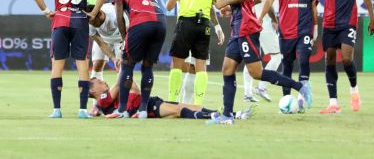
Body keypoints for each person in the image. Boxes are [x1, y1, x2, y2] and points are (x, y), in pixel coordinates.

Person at [208, 0, 312, 125]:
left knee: (256, 73)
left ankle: (299, 87)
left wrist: (224, 3)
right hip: (238, 25)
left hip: (245, 27)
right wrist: (233, 9)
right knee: (227, 68)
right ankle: (227, 114)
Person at [32, 0, 107, 118]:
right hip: (80, 20)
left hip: (60, 19)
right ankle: (82, 110)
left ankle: (56, 110)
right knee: (82, 64)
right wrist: (94, 13)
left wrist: (46, 11)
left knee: (57, 64)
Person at [316, 0, 374, 114]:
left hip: (348, 21)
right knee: (329, 60)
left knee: (347, 58)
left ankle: (354, 90)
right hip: (328, 23)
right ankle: (333, 103)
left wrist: (372, 18)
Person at [258, 0, 318, 109]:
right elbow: (269, 0)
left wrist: (316, 26)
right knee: (287, 64)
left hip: (305, 29)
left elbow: (313, 7)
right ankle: (287, 100)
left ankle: (302, 98)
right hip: (286, 31)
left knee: (304, 59)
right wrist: (259, 19)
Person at [166, 0, 223, 106]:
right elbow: (218, 6)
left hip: (186, 24)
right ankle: (197, 104)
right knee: (201, 66)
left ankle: (172, 102)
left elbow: (169, 6)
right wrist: (218, 25)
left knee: (177, 64)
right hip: (204, 26)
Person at [110, 0, 166, 118]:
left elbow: (119, 17)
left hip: (141, 22)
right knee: (147, 66)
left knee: (127, 64)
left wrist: (124, 38)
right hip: (161, 23)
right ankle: (143, 110)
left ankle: (122, 110)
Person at [89, 75, 254, 120]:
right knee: (178, 110)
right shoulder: (102, 100)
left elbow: (132, 87)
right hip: (147, 108)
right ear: (94, 92)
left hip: (149, 102)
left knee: (189, 105)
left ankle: (230, 114)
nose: (102, 80)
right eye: (97, 82)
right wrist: (124, 69)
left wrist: (126, 75)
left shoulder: (109, 98)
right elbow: (131, 88)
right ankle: (214, 116)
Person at [242, 0, 281, 103]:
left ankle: (247, 93)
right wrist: (274, 20)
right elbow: (268, 3)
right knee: (277, 56)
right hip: (262, 25)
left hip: (250, 24)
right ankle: (262, 86)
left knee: (253, 59)